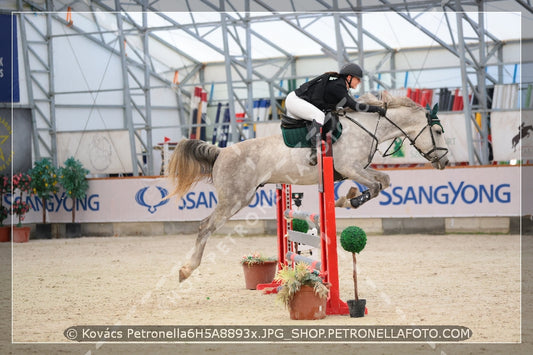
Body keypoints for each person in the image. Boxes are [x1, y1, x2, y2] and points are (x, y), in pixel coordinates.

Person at [285, 63, 386, 165]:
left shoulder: (341, 86)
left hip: (298, 101)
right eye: (358, 79)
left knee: (323, 116)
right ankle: (315, 151)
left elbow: (348, 105)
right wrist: (377, 109)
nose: (359, 82)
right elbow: (354, 106)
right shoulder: (338, 86)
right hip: (294, 101)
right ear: (349, 77)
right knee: (319, 116)